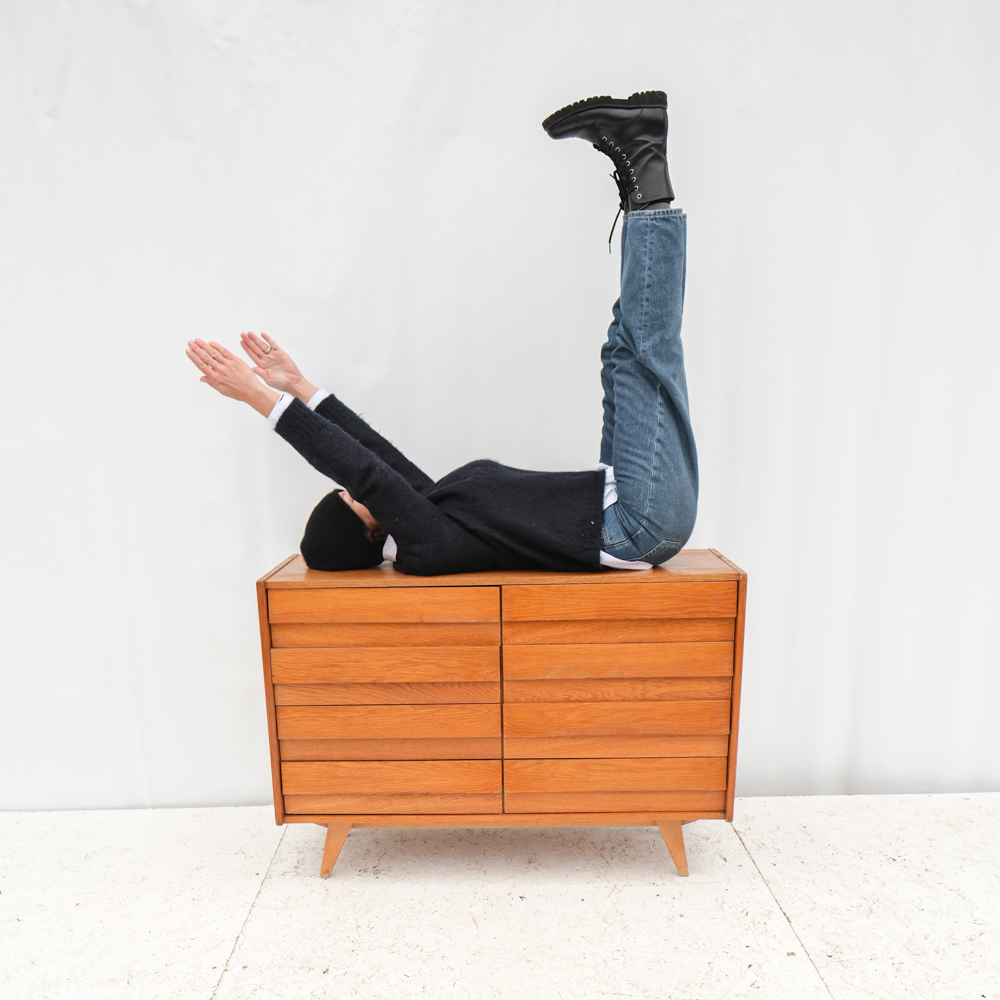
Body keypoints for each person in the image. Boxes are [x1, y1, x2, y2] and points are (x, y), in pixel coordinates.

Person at [185, 91, 698, 576]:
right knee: (644, 352)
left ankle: (637, 173)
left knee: (622, 352)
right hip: (638, 522)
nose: (355, 487)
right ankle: (644, 157)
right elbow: (367, 472)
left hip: (623, 500)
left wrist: (297, 386)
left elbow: (377, 456)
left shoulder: (434, 514)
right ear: (369, 533)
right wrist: (257, 398)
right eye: (351, 498)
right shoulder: (426, 546)